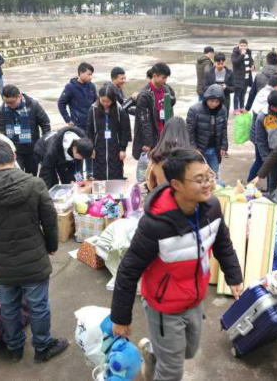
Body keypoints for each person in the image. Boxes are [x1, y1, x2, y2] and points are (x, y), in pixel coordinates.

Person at [110, 148, 244, 381]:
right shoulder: (155, 225)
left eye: (209, 176)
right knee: (172, 370)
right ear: (176, 184)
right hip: (164, 306)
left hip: (194, 298)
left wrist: (234, 276)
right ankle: (160, 358)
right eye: (199, 179)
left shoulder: (212, 208)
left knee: (188, 351)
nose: (207, 184)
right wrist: (121, 318)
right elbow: (128, 270)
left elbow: (222, 243)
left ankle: (153, 353)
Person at [0, 140, 68, 363]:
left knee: (9, 306)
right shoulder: (34, 184)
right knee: (38, 306)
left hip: (2, 261)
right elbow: (49, 220)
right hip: (33, 258)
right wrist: (52, 246)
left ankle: (14, 347)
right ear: (14, 157)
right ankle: (42, 347)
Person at [246, 71, 277, 183]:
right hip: (262, 135)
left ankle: (259, 186)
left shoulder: (265, 91)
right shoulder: (268, 97)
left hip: (263, 134)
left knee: (264, 162)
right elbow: (269, 119)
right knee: (264, 161)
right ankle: (250, 184)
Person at [0, 85, 51, 176]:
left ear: (19, 96)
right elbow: (0, 130)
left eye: (11, 102)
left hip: (32, 149)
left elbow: (45, 124)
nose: (9, 105)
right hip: (14, 150)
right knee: (18, 176)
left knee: (31, 175)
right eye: (6, 102)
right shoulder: (2, 110)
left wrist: (43, 144)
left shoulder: (33, 105)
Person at [58, 62, 97, 178]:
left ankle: (90, 173)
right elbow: (61, 103)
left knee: (89, 149)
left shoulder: (91, 86)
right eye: (88, 74)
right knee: (79, 152)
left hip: (90, 125)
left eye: (91, 74)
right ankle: (79, 176)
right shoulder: (70, 87)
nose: (91, 77)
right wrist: (68, 119)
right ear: (80, 73)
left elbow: (96, 102)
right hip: (78, 126)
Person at [132, 62, 176, 161]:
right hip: (153, 139)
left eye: (166, 78)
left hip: (165, 137)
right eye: (163, 78)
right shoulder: (145, 95)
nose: (165, 80)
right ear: (155, 76)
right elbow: (145, 122)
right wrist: (148, 143)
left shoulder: (166, 90)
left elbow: (171, 110)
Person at [86, 86, 132, 180]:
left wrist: (123, 149)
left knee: (116, 173)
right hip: (98, 146)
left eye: (108, 101)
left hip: (115, 147)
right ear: (99, 98)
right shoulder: (93, 110)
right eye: (103, 101)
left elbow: (124, 130)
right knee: (99, 175)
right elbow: (89, 130)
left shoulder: (119, 110)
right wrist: (91, 147)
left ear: (113, 100)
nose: (105, 103)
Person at [186, 85, 228, 177]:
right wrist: (194, 149)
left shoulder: (223, 110)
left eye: (217, 101)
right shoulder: (194, 110)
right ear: (206, 98)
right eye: (212, 101)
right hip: (200, 150)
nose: (214, 104)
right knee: (200, 175)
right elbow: (189, 132)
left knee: (214, 174)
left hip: (215, 149)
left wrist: (224, 146)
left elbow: (224, 129)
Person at [145, 117, 192, 192]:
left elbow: (150, 183)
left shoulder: (157, 157)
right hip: (188, 196)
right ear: (185, 134)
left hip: (164, 195)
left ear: (164, 133)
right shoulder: (194, 155)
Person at [204, 52, 234, 117]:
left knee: (224, 118)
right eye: (218, 64)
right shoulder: (209, 73)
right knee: (213, 118)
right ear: (214, 63)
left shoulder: (230, 73)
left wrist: (226, 87)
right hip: (212, 101)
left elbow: (234, 88)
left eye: (222, 63)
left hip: (225, 100)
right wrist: (214, 87)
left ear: (224, 62)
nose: (220, 66)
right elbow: (204, 88)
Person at [231, 38, 255, 113]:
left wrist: (252, 65)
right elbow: (235, 63)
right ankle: (235, 109)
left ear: (247, 46)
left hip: (247, 77)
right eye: (241, 46)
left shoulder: (249, 52)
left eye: (245, 46)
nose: (243, 47)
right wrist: (242, 55)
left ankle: (241, 108)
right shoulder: (235, 53)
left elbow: (251, 61)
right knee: (237, 94)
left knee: (243, 94)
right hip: (238, 77)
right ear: (239, 45)